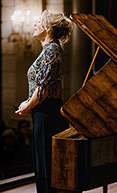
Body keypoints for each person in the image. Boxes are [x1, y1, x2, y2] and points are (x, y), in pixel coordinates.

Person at [15, 10, 72, 193]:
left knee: (46, 169)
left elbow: (44, 89)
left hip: (47, 113)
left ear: (48, 28)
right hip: (44, 111)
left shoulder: (52, 50)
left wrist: (27, 105)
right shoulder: (49, 49)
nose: (35, 25)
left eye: (39, 22)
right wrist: (29, 102)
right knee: (43, 167)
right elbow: (41, 86)